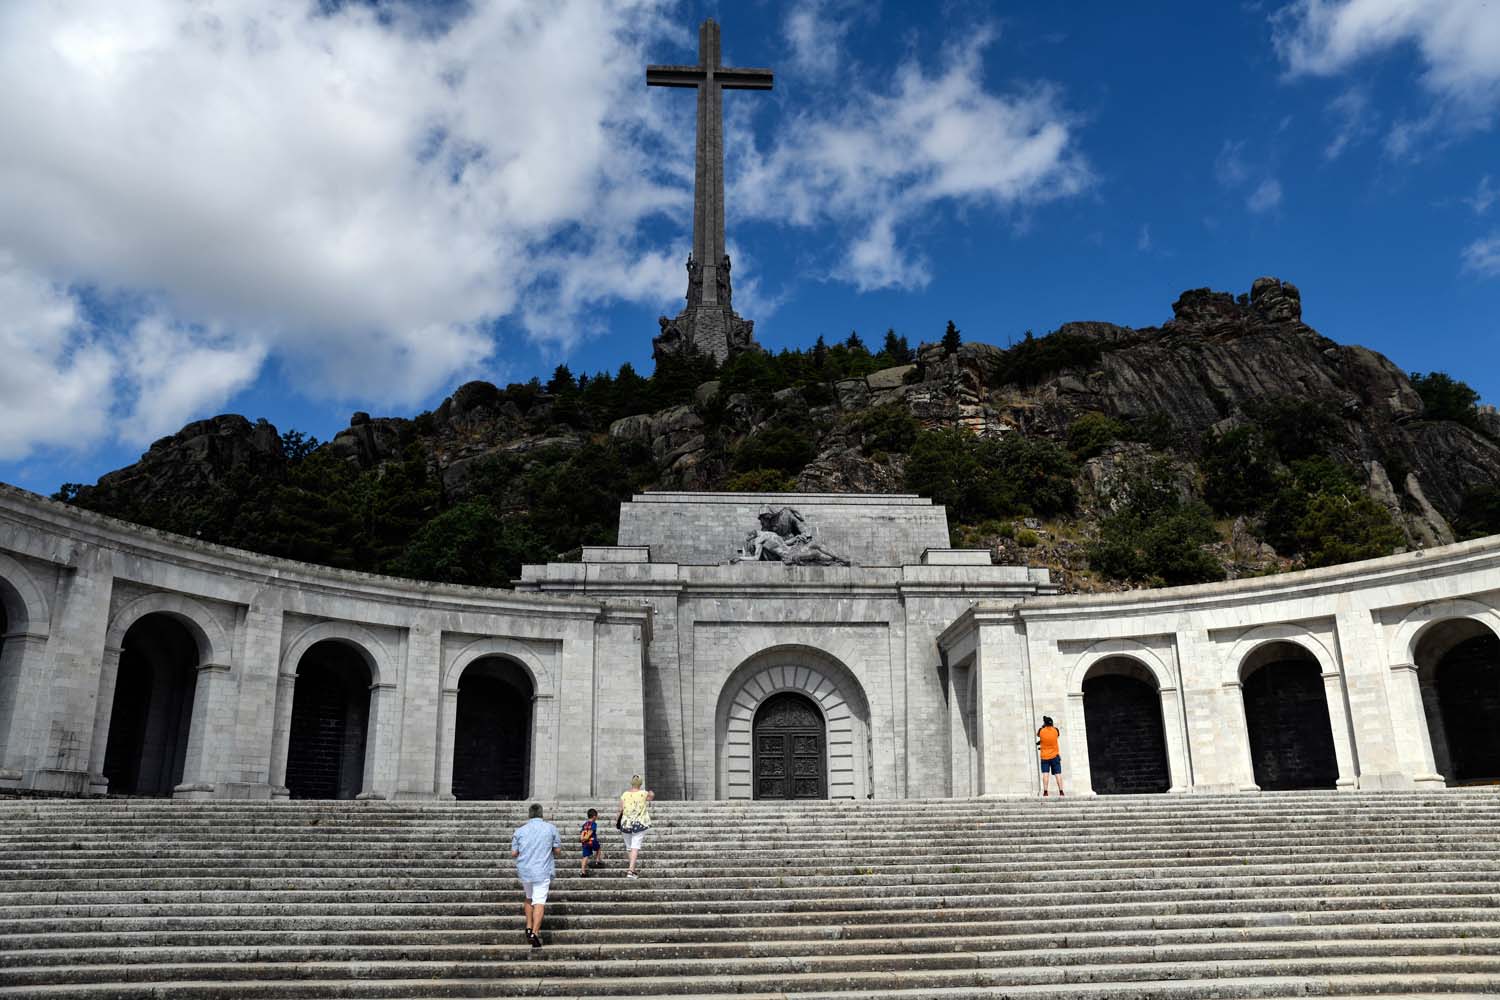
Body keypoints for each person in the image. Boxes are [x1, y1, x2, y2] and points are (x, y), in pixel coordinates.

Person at [510, 803, 561, 948]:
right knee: (539, 901)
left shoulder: (520, 831)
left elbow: (514, 853)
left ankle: (528, 925)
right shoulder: (551, 828)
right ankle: (535, 933)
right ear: (541, 814)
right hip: (542, 869)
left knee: (528, 897)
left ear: (529, 814)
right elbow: (557, 850)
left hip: (525, 870)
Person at [618, 774, 655, 879]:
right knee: (635, 847)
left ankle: (632, 870)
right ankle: (630, 871)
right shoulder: (643, 793)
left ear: (631, 783)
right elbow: (651, 797)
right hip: (639, 823)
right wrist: (651, 792)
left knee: (629, 848)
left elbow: (620, 809)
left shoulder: (625, 794)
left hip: (625, 823)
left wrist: (617, 820)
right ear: (640, 784)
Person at [1037, 716, 1064, 797]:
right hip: (1055, 756)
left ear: (1044, 723)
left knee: (1045, 774)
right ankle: (1061, 791)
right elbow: (1058, 735)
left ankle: (1045, 791)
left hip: (1044, 757)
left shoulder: (1041, 731)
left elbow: (1038, 735)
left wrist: (1043, 727)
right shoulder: (1055, 730)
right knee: (1058, 774)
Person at [579, 807, 604, 876]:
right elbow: (590, 831)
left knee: (585, 856)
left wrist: (582, 839)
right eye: (596, 816)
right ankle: (597, 861)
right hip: (592, 841)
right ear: (594, 817)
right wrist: (586, 838)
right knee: (598, 849)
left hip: (585, 843)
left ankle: (583, 871)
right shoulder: (593, 824)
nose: (597, 818)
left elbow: (582, 832)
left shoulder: (584, 824)